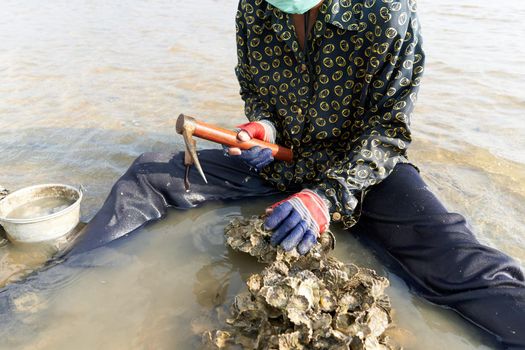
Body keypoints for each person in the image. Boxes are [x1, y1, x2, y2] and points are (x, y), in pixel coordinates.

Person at [69, 0, 525, 348]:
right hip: (279, 161)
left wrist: (325, 197)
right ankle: (64, 277)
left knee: (461, 265)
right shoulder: (254, 8)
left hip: (363, 174)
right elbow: (256, 89)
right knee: (148, 175)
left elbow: (389, 130)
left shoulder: (385, 10)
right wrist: (259, 128)